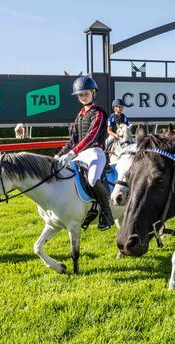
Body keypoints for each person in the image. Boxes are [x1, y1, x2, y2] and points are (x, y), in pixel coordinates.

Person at [55, 76, 113, 230]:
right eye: (80, 95)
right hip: (80, 154)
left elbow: (91, 137)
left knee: (93, 180)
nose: (82, 97)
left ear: (93, 93)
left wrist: (72, 152)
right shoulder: (79, 116)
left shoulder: (99, 113)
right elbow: (72, 141)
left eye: (85, 94)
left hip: (95, 152)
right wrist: (59, 155)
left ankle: (107, 215)